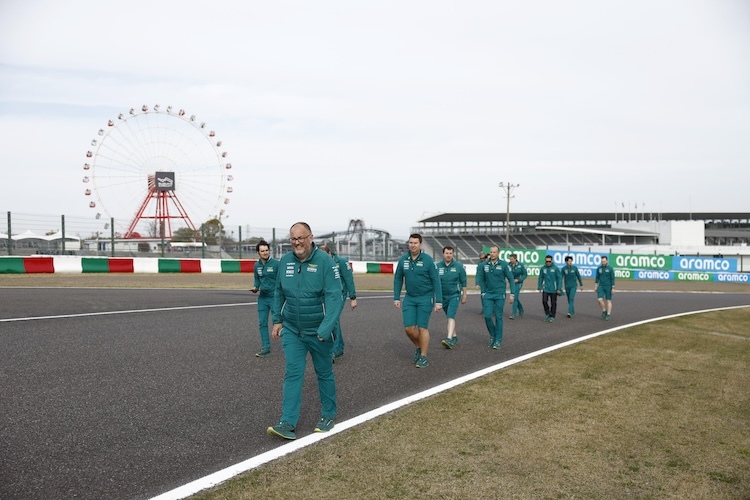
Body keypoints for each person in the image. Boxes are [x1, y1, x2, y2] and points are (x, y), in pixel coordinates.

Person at [267, 222, 343, 440]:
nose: (297, 242)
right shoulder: (285, 262)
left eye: (301, 238)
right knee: (293, 373)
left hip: (319, 331)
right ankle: (287, 422)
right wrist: (278, 320)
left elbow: (335, 298)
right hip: (292, 330)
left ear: (311, 237)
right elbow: (278, 292)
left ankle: (328, 414)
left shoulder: (325, 262)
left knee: (324, 373)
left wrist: (325, 329)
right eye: (293, 239)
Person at [393, 233, 443, 368]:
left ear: (420, 244)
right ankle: (419, 346)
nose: (412, 245)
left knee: (422, 328)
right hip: (409, 298)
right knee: (409, 329)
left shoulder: (428, 260)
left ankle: (423, 356)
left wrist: (439, 301)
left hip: (425, 298)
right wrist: (396, 297)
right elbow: (398, 278)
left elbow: (436, 281)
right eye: (410, 243)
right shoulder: (403, 260)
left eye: (415, 243)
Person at [320, 244, 357, 361]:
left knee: (333, 320)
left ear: (329, 253)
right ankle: (339, 347)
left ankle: (335, 349)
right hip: (326, 295)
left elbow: (349, 279)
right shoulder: (320, 263)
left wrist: (353, 298)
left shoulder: (341, 262)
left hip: (339, 295)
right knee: (329, 319)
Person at [475, 245, 515, 349]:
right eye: (491, 252)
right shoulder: (484, 265)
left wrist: (512, 294)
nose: (492, 254)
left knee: (498, 317)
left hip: (499, 294)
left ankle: (498, 340)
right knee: (487, 316)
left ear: (498, 253)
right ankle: (493, 335)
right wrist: (483, 292)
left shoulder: (504, 265)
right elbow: (481, 278)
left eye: (494, 252)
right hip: (488, 294)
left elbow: (511, 279)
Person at [250, 240, 278, 357]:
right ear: (258, 252)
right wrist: (255, 287)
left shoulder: (277, 264)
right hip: (263, 298)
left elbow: (282, 280)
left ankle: (291, 346)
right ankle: (265, 348)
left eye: (267, 250)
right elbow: (257, 279)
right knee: (262, 323)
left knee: (279, 322)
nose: (265, 253)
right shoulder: (257, 266)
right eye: (262, 251)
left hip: (275, 298)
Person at [436, 246, 467, 349]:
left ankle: (449, 339)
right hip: (442, 297)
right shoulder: (437, 266)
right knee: (449, 317)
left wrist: (464, 296)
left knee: (450, 316)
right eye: (446, 253)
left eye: (450, 253)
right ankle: (454, 336)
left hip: (454, 295)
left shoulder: (459, 266)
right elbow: (434, 283)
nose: (448, 255)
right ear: (443, 254)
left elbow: (464, 282)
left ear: (453, 254)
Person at [537, 255, 562, 322]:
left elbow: (559, 278)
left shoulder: (556, 268)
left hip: (554, 289)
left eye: (549, 261)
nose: (548, 262)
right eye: (547, 261)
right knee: (544, 301)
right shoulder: (543, 268)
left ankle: (552, 316)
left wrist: (559, 288)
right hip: (546, 288)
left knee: (553, 303)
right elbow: (541, 277)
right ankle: (547, 313)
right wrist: (539, 286)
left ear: (552, 261)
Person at [595, 255, 616, 320]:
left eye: (604, 261)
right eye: (602, 261)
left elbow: (612, 278)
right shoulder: (599, 268)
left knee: (608, 301)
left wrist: (613, 288)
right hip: (601, 286)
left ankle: (608, 314)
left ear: (606, 261)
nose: (603, 262)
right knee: (599, 299)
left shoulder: (610, 268)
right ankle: (604, 311)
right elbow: (597, 278)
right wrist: (595, 287)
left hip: (608, 286)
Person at [508, 253, 527, 319]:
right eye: (510, 259)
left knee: (514, 297)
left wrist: (518, 280)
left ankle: (513, 313)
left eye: (512, 259)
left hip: (518, 283)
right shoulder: (508, 265)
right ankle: (521, 309)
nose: (511, 260)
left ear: (515, 259)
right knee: (515, 297)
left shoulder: (521, 265)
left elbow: (525, 274)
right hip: (512, 283)